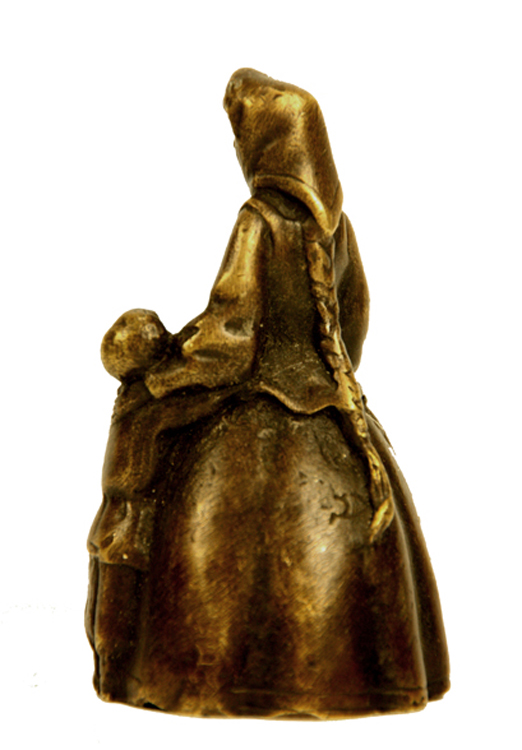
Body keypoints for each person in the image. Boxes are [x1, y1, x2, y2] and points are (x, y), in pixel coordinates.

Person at [86, 68, 450, 718]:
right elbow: (354, 318)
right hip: (336, 408)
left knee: (146, 432)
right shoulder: (337, 227)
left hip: (257, 406)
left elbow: (232, 334)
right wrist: (332, 380)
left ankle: (174, 651)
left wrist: (166, 369)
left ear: (267, 147)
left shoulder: (258, 220)